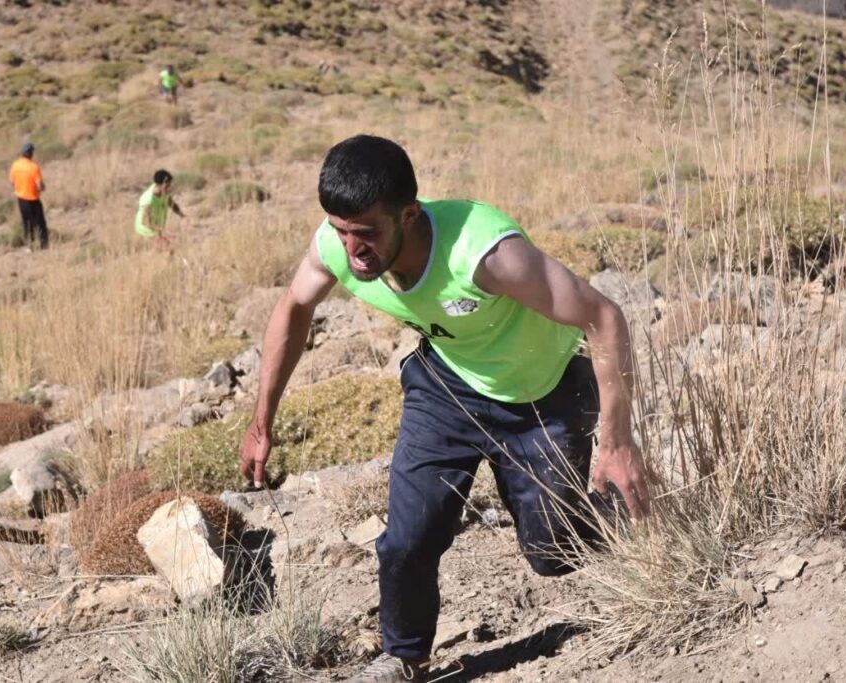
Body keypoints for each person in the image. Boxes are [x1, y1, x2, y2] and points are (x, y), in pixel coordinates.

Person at [239, 135, 651, 683]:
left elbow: (604, 317)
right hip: (447, 389)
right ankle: (404, 657)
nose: (353, 249)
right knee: (406, 539)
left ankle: (617, 513)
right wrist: (261, 421)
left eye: (367, 233)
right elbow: (293, 306)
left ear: (409, 215)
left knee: (553, 552)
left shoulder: (485, 253)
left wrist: (617, 442)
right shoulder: (338, 244)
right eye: (341, 231)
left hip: (543, 395)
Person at [8, 142, 48, 249]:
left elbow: (11, 181)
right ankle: (44, 245)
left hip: (21, 199)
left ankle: (29, 246)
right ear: (31, 153)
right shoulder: (33, 167)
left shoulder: (15, 165)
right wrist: (43, 187)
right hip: (33, 199)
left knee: (26, 223)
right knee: (40, 223)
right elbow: (40, 186)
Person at [135, 169, 185, 251]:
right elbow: (146, 222)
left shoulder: (163, 192)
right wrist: (163, 231)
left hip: (156, 228)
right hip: (146, 230)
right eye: (167, 186)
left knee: (166, 249)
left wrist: (183, 216)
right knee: (168, 249)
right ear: (161, 184)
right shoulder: (148, 199)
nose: (169, 188)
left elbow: (172, 204)